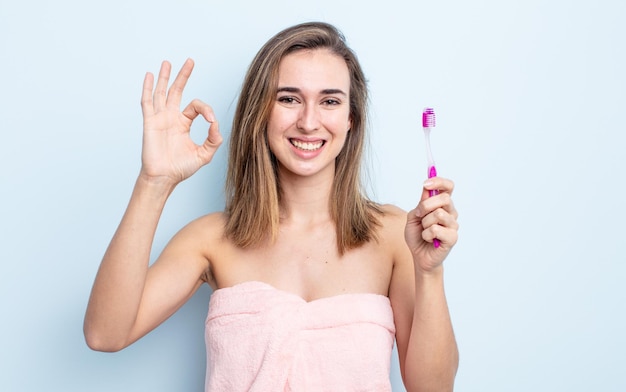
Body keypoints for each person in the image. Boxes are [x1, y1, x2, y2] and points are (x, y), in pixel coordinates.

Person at [84, 21, 459, 391]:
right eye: (288, 99)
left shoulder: (395, 235)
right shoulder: (210, 239)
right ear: (260, 112)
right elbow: (105, 334)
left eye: (329, 101)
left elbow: (434, 389)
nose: (309, 122)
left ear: (351, 120)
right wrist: (154, 182)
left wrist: (430, 273)